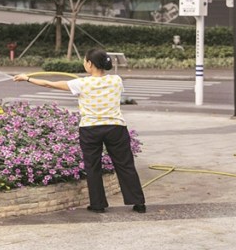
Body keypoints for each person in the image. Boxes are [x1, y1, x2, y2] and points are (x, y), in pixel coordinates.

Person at [13, 48, 146, 214]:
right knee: (125, 164)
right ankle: (138, 203)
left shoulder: (81, 83)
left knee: (93, 166)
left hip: (90, 129)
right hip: (115, 127)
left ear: (90, 64)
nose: (84, 63)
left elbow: (49, 84)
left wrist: (27, 78)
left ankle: (98, 205)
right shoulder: (116, 80)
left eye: (85, 61)